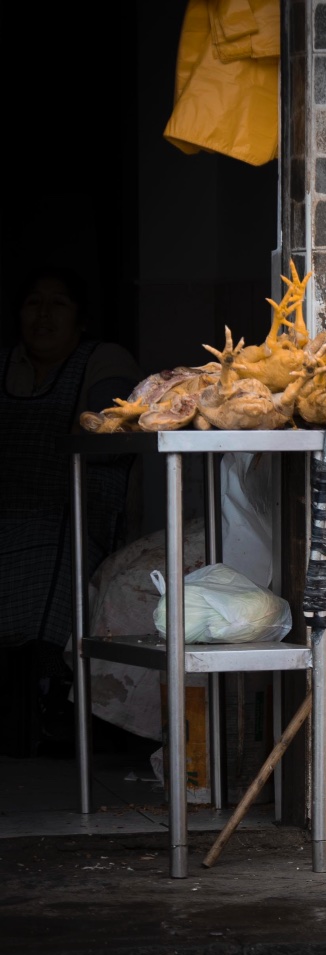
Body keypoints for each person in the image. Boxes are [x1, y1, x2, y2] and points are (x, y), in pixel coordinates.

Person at [0, 269, 140, 756]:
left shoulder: (102, 360)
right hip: (10, 504)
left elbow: (110, 427)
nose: (43, 315)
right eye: (32, 303)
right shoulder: (7, 365)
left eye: (57, 304)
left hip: (77, 506)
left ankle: (52, 696)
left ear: (80, 319)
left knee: (54, 558)